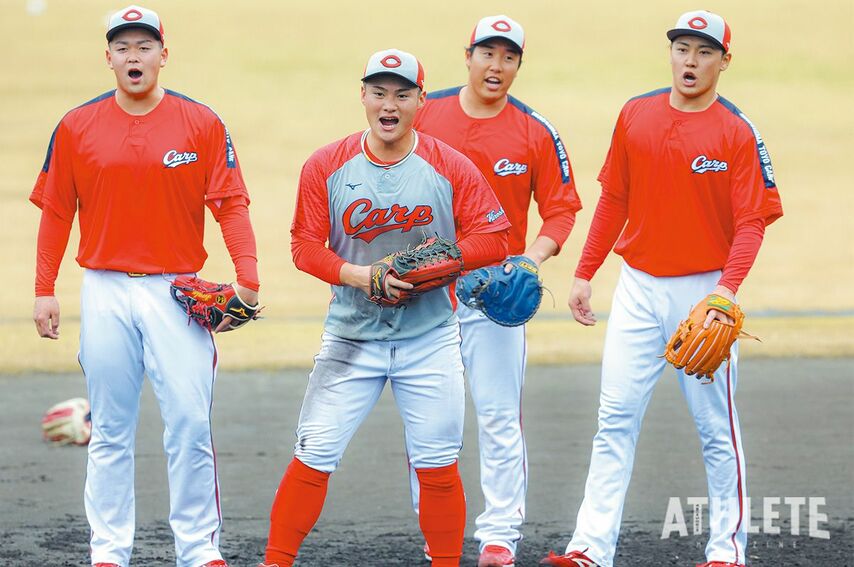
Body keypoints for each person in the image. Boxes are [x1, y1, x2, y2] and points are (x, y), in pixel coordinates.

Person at [540, 10, 783, 567]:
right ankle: (589, 550)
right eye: (682, 49)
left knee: (716, 427)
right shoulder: (635, 114)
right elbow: (615, 200)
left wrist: (725, 292)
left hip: (704, 293)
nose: (690, 61)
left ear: (724, 60)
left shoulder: (736, 131)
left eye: (703, 52)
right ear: (670, 53)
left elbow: (751, 221)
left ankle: (727, 552)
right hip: (638, 288)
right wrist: (584, 272)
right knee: (614, 419)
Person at [258, 48, 511, 567]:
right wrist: (361, 275)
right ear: (363, 96)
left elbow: (496, 237)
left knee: (438, 463)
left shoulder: (448, 165)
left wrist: (440, 263)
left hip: (430, 337)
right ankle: (276, 561)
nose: (388, 105)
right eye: (379, 92)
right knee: (314, 453)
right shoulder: (327, 165)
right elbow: (304, 247)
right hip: (351, 336)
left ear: (421, 99)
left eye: (401, 94)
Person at [30, 5, 260, 566]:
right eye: (123, 47)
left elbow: (230, 205)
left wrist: (248, 280)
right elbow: (57, 212)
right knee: (109, 429)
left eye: (144, 46)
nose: (134, 56)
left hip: (178, 293)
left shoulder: (200, 123)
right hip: (104, 289)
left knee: (188, 423)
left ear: (163, 53)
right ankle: (109, 551)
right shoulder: (77, 125)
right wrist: (44, 287)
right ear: (107, 57)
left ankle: (199, 550)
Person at [410, 15, 582, 567]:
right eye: (488, 53)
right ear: (468, 56)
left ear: (517, 66)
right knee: (431, 419)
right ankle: (437, 535)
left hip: (493, 295)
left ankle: (499, 537)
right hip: (425, 293)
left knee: (499, 414)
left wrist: (531, 260)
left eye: (508, 57)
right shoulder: (425, 112)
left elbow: (561, 210)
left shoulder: (533, 130)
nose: (496, 66)